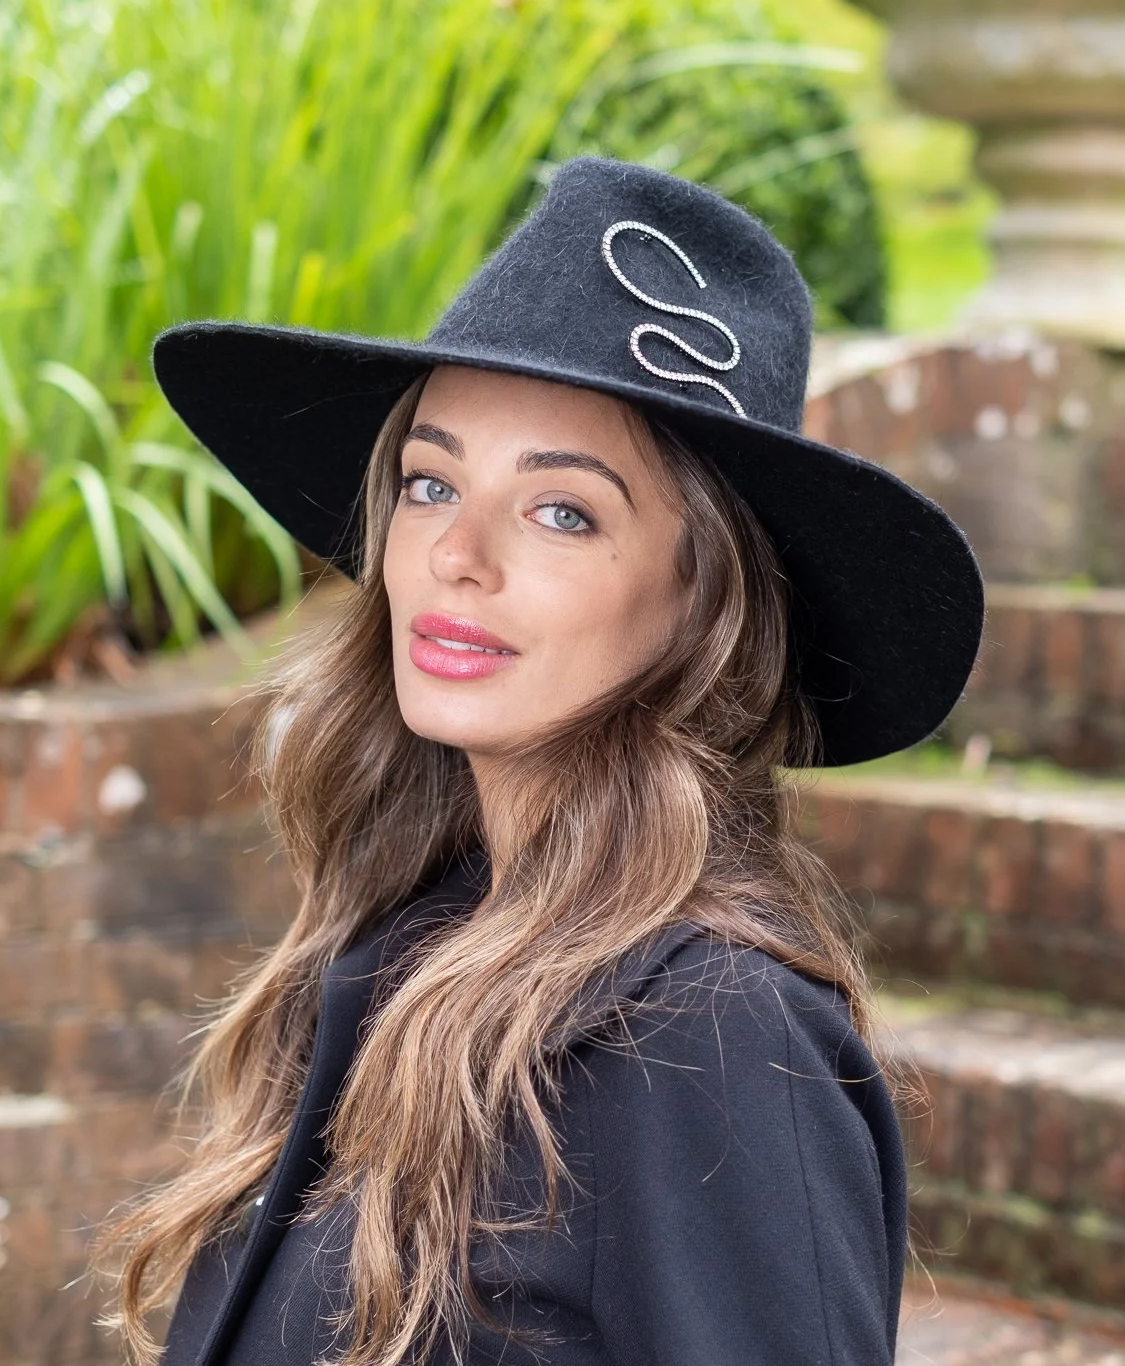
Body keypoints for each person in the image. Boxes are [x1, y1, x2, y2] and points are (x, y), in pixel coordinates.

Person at [92, 156, 984, 1366]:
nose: (458, 553)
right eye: (430, 482)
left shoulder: (714, 1040)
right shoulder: (405, 943)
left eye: (563, 510)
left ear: (702, 601)